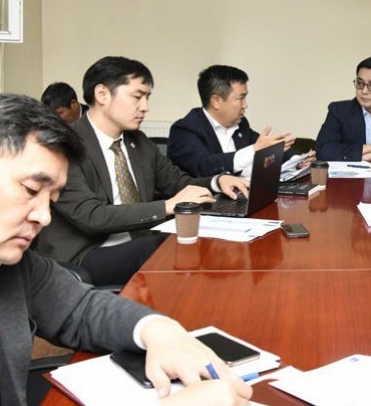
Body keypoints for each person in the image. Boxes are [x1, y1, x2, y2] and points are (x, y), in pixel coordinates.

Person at [0, 93, 252, 406]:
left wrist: (159, 330)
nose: (45, 216)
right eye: (31, 190)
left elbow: (81, 309)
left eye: (51, 199)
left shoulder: (17, 265)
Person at [35, 56, 249, 287]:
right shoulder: (64, 145)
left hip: (137, 242)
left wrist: (217, 181)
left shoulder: (139, 142)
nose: (145, 107)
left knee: (194, 238)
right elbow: (91, 216)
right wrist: (167, 206)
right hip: (85, 254)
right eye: (137, 97)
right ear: (102, 94)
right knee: (166, 247)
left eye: (147, 98)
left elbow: (177, 183)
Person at [167, 64, 309, 178]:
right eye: (241, 98)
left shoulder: (240, 124)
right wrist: (254, 150)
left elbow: (264, 147)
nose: (245, 105)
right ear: (216, 101)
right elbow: (204, 166)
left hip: (240, 197)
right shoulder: (185, 130)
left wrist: (298, 160)